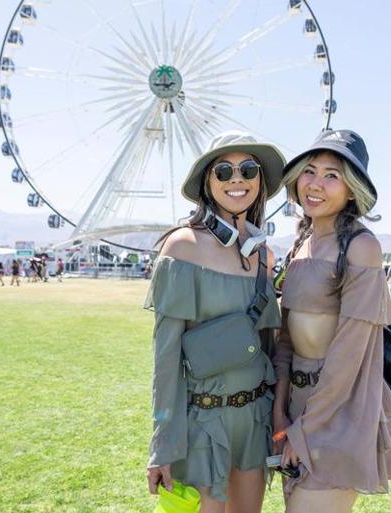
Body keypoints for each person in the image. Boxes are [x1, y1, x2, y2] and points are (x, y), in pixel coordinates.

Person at [145, 131, 284, 513]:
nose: (237, 179)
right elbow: (166, 359)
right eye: (224, 171)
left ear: (260, 181)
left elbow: (268, 349)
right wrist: (162, 445)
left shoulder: (265, 257)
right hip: (203, 424)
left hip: (255, 420)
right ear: (208, 182)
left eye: (248, 169)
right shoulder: (182, 247)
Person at [272, 130, 391, 513]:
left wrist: (305, 428)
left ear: (352, 190)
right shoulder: (300, 245)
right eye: (309, 171)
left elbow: (348, 356)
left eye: (332, 175)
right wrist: (280, 413)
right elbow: (285, 342)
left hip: (341, 410)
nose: (315, 184)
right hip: (296, 407)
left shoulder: (362, 247)